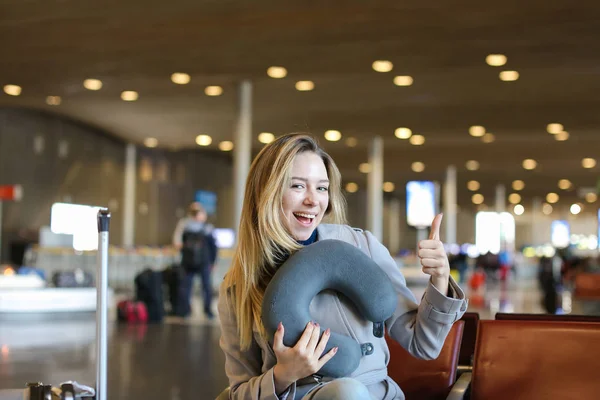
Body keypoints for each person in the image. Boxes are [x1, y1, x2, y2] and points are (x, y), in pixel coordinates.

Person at [218, 133, 467, 400]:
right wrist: (283, 375)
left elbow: (424, 344)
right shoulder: (238, 287)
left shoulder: (361, 247)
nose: (314, 201)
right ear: (265, 193)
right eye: (298, 186)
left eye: (322, 188)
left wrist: (440, 277)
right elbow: (237, 392)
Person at [172, 202, 218, 319]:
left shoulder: (204, 227)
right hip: (190, 262)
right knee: (187, 287)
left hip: (200, 262)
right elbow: (177, 242)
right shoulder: (186, 225)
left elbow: (213, 247)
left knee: (204, 287)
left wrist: (213, 262)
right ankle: (187, 310)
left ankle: (204, 311)